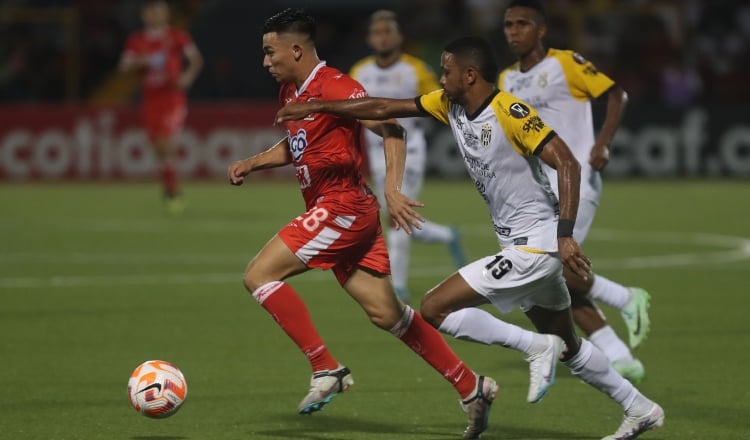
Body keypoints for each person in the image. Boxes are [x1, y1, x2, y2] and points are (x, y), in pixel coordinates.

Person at [275, 35, 665, 440]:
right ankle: (639, 408)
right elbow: (384, 107)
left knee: (434, 308)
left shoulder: (509, 111)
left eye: (446, 71)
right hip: (519, 245)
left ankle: (534, 346)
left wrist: (565, 235)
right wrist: (320, 106)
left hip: (537, 245)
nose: (440, 78)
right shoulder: (450, 105)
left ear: (470, 74)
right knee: (569, 346)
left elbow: (566, 160)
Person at [227, 9, 497, 439]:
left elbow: (392, 130)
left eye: (269, 51)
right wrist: (254, 162)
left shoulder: (336, 86)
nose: (265, 61)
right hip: (347, 212)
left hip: (343, 207)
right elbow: (300, 145)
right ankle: (471, 386)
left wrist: (393, 188)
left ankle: (325, 366)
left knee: (259, 274)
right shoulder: (290, 91)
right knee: (387, 313)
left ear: (295, 49)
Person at [498, 0, 650, 382]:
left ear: (541, 30)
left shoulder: (566, 62)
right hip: (538, 189)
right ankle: (618, 354)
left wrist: (603, 143)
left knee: (549, 267)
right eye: (508, 25)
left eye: (522, 24)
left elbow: (617, 94)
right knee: (552, 277)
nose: (514, 31)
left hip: (575, 177)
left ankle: (623, 297)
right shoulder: (506, 80)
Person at [349, 10, 467, 302]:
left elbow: (443, 100)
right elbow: (350, 111)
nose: (383, 37)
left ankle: (396, 287)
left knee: (394, 217)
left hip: (408, 150)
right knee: (395, 216)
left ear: (399, 37)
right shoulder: (359, 72)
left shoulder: (416, 69)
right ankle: (447, 236)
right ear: (370, 39)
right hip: (377, 153)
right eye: (377, 32)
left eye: (388, 32)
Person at [118, 0, 203, 214]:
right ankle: (169, 189)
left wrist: (187, 77)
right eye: (152, 11)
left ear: (166, 13)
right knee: (158, 149)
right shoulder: (137, 41)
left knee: (166, 143)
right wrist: (143, 61)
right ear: (145, 15)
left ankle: (173, 193)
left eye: (160, 10)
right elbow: (124, 67)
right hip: (149, 101)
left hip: (172, 98)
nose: (156, 14)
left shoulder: (176, 36)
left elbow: (195, 60)